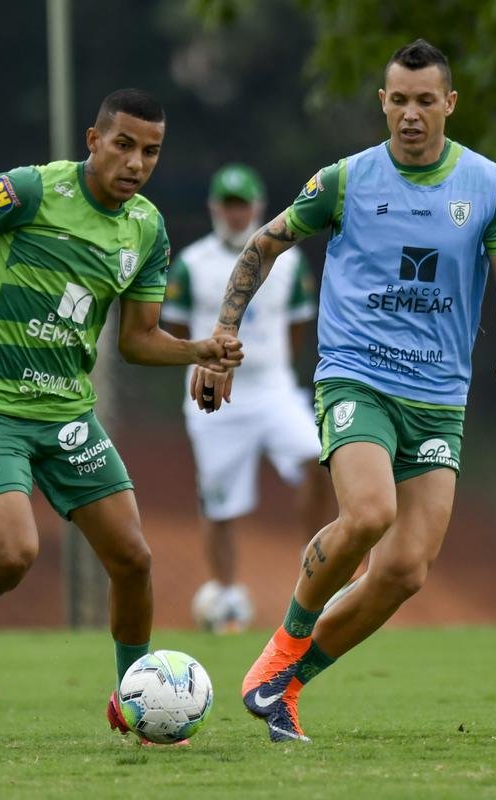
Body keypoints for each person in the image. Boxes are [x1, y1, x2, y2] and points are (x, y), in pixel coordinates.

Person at [189, 39, 496, 742]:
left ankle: (287, 685)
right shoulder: (344, 181)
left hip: (438, 396)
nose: (410, 115)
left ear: (449, 104)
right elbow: (263, 245)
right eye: (398, 100)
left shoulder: (485, 185)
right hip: (358, 376)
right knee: (370, 513)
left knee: (406, 570)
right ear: (383, 102)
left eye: (425, 101)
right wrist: (224, 335)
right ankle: (281, 646)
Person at [0, 89, 242, 732]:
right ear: (92, 141)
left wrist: (200, 349)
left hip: (66, 414)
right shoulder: (33, 191)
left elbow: (138, 339)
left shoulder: (147, 228)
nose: (136, 162)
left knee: (134, 560)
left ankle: (135, 696)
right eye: (123, 145)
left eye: (151, 151)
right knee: (13, 553)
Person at [161, 164, 334, 633]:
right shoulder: (192, 264)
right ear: (215, 209)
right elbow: (175, 328)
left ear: (259, 208)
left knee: (321, 459)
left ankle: (319, 568)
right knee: (218, 501)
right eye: (228, 204)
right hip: (216, 397)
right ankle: (227, 596)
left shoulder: (290, 260)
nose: (237, 214)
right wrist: (208, 364)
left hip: (274, 387)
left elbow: (299, 324)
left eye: (244, 204)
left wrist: (271, 365)